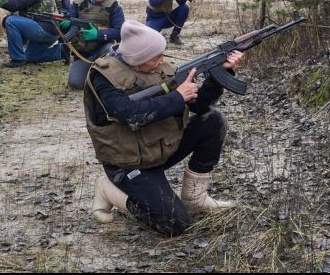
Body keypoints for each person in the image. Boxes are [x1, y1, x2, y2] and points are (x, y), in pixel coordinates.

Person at [83, 20, 242, 236]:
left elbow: (200, 106)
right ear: (135, 61)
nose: (162, 61)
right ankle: (109, 189)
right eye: (155, 57)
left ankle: (195, 197)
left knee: (212, 121)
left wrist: (218, 77)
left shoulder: (160, 68)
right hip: (127, 161)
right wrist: (177, 97)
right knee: (174, 224)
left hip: (160, 147)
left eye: (161, 54)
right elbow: (131, 115)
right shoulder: (104, 77)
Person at [64, 0, 125, 90]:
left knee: (111, 49)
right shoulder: (78, 4)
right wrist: (65, 24)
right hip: (83, 53)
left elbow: (120, 32)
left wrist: (98, 34)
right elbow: (69, 18)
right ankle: (93, 73)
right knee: (75, 84)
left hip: (104, 50)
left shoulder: (114, 6)